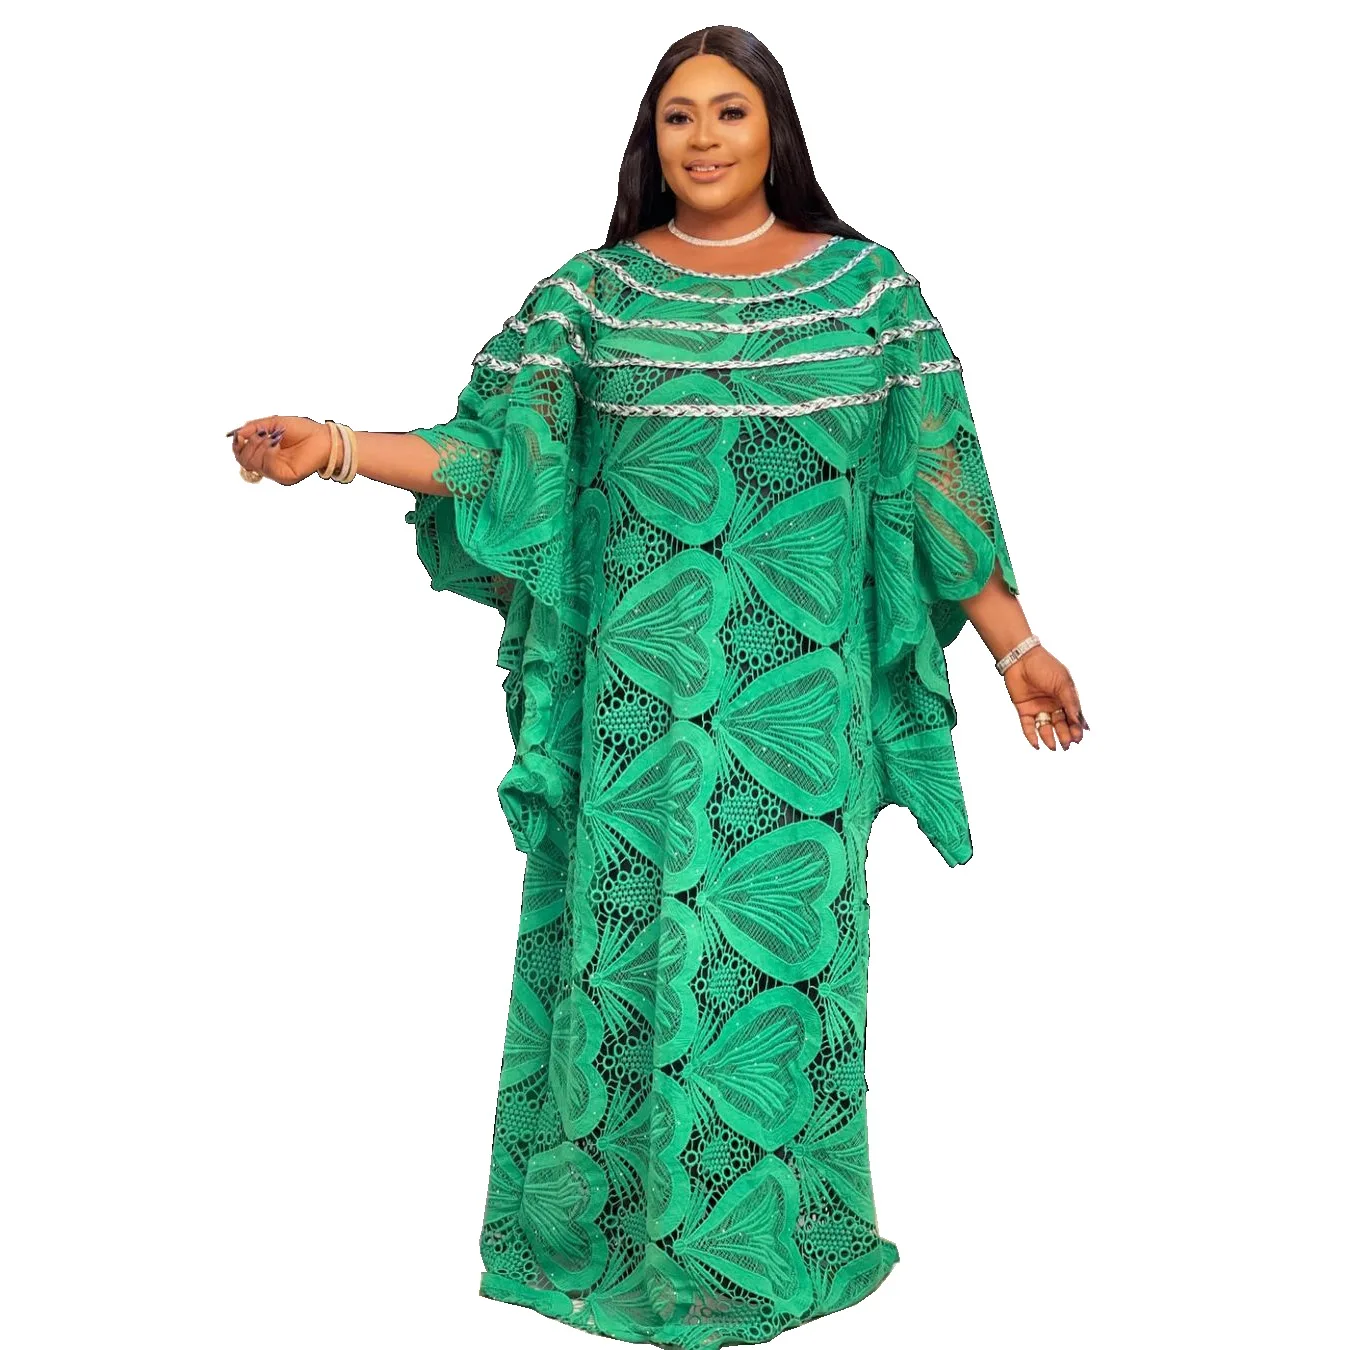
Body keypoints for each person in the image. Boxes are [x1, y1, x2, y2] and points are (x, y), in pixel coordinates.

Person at [227, 24, 1088, 1349]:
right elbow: (493, 455)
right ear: (650, 140)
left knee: (779, 969)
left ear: (774, 130)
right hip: (633, 719)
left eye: (728, 111)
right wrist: (334, 446)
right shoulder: (591, 300)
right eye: (677, 115)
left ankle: (764, 1243)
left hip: (798, 723)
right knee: (627, 966)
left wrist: (1016, 645)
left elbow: (937, 481)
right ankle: (612, 1240)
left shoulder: (869, 296)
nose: (703, 137)